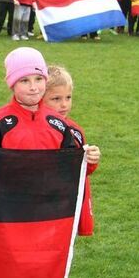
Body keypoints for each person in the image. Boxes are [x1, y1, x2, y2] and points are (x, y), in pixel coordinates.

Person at [0, 47, 88, 153]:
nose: (33, 87)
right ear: (12, 85)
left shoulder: (59, 122)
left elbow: (71, 164)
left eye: (38, 79)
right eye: (24, 80)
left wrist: (89, 159)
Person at [43, 64, 101, 236]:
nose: (64, 104)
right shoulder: (38, 129)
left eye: (68, 97)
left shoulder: (74, 130)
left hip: (66, 204)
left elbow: (83, 172)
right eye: (56, 99)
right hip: (43, 205)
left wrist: (91, 160)